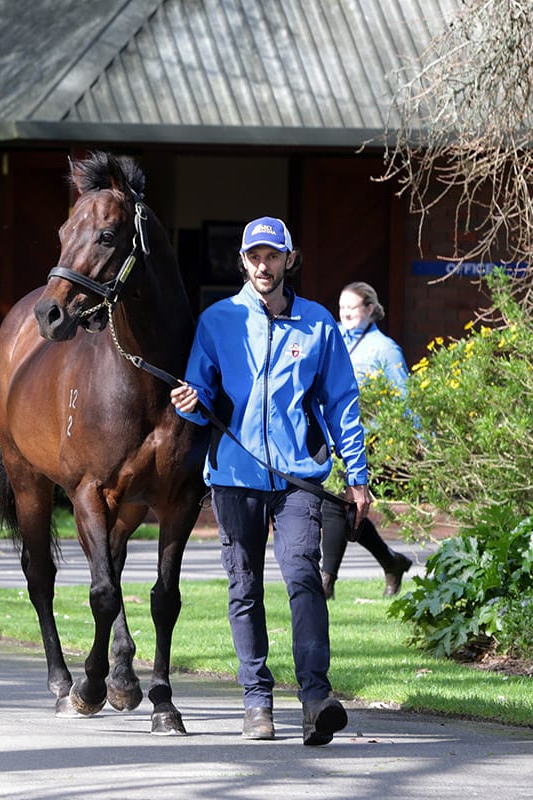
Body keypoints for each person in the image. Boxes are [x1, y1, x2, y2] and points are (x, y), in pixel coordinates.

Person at [169, 216, 372, 746]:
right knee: (245, 589)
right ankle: (256, 702)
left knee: (303, 578)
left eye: (273, 256)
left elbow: (343, 402)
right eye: (254, 256)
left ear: (289, 259)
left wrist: (358, 476)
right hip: (235, 478)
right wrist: (192, 405)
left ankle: (314, 699)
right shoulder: (218, 321)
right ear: (243, 261)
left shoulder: (319, 324)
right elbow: (202, 395)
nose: (264, 265)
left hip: (298, 479)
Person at [321, 281, 414, 600]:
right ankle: (392, 562)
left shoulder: (385, 349)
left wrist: (417, 438)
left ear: (370, 310)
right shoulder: (331, 335)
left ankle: (326, 585)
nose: (345, 313)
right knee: (345, 514)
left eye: (353, 307)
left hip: (365, 440)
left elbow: (404, 397)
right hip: (327, 435)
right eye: (342, 307)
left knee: (336, 505)